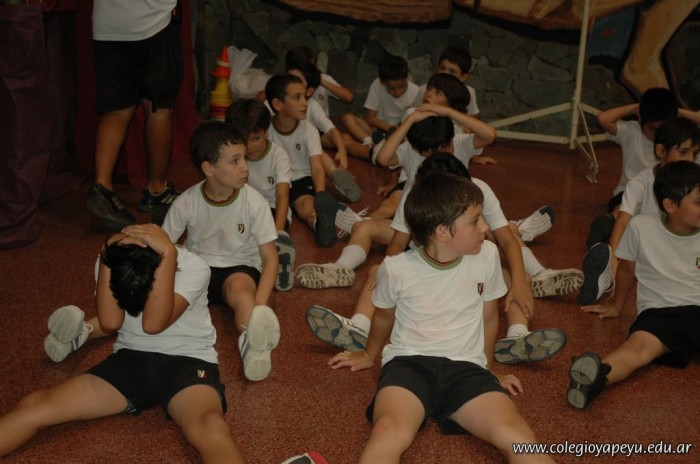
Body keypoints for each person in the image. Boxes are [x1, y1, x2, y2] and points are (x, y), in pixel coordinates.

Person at [328, 172, 554, 463]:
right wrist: (370, 354)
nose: (485, 227)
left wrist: (489, 369)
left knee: (519, 437)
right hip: (408, 366)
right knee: (387, 432)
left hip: (467, 369)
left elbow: (489, 319)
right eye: (475, 221)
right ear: (443, 232)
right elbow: (384, 317)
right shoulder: (395, 269)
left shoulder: (487, 256)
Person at [0, 225, 246, 463]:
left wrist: (168, 255)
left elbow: (153, 324)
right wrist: (106, 255)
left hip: (187, 361)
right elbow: (110, 321)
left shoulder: (193, 266)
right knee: (37, 405)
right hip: (130, 359)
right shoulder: (114, 259)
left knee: (210, 425)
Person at [306, 154, 573, 365]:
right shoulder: (417, 194)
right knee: (379, 273)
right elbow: (397, 243)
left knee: (516, 278)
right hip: (427, 263)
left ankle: (517, 336)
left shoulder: (478, 193)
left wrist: (521, 284)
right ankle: (360, 326)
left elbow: (507, 240)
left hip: (467, 259)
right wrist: (389, 275)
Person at [568, 161, 700, 409]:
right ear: (670, 205)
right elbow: (627, 269)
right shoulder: (640, 227)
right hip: (659, 313)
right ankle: (595, 378)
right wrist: (617, 306)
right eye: (699, 202)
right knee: (636, 350)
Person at [162, 121, 280, 382]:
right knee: (165, 304)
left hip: (239, 267)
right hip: (197, 267)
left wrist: (259, 308)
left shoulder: (255, 203)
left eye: (244, 158)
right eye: (235, 161)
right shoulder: (186, 203)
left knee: (240, 291)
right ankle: (90, 328)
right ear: (209, 168)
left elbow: (271, 260)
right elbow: (163, 248)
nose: (245, 167)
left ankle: (253, 342)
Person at [578, 117, 700, 305]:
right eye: (683, 152)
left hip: (678, 244)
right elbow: (624, 220)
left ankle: (604, 267)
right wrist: (614, 259)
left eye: (695, 153)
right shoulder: (641, 182)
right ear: (661, 151)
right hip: (645, 242)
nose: (690, 159)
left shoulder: (695, 181)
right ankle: (604, 268)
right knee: (622, 250)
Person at [86, 1, 182, 229]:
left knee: (116, 110)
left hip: (107, 24)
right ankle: (157, 190)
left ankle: (102, 187)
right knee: (158, 108)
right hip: (153, 22)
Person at [586, 88, 700, 248]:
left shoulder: (686, 144)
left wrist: (676, 111)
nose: (657, 134)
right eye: (653, 129)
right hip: (629, 193)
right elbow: (603, 119)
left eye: (693, 154)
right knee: (626, 213)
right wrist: (637, 108)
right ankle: (608, 230)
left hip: (667, 203)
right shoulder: (632, 132)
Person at [225, 99, 295, 292]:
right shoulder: (232, 157)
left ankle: (277, 258)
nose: (250, 147)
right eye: (244, 140)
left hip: (271, 210)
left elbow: (282, 196)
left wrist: (279, 233)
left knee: (263, 239)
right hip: (243, 209)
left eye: (256, 138)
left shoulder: (279, 156)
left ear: (266, 131)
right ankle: (264, 262)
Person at [265, 74, 338, 247]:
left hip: (300, 179)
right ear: (278, 104)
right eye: (297, 98)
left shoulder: (309, 130)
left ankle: (319, 224)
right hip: (274, 182)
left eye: (305, 97)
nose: (305, 103)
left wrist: (320, 195)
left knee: (306, 207)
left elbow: (317, 166)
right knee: (266, 212)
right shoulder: (266, 130)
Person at [285, 62, 362, 202]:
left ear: (308, 91)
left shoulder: (311, 106)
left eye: (297, 80)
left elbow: (331, 128)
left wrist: (341, 150)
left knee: (317, 152)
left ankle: (336, 174)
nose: (292, 83)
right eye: (288, 78)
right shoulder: (275, 104)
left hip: (305, 151)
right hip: (283, 152)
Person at [341, 55, 420, 160]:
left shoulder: (416, 92)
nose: (397, 92)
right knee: (347, 118)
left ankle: (377, 148)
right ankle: (369, 143)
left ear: (406, 78)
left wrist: (396, 132)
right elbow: (370, 118)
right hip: (376, 131)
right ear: (383, 82)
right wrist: (389, 129)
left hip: (399, 135)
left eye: (401, 87)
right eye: (391, 88)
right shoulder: (377, 85)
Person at [284, 45, 354, 118]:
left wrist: (319, 80)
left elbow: (348, 97)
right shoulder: (286, 83)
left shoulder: (322, 78)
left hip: (321, 123)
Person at [413, 45, 480, 117]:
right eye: (442, 68)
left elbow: (471, 119)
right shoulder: (424, 90)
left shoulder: (468, 93)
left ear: (463, 77)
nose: (445, 73)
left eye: (452, 72)